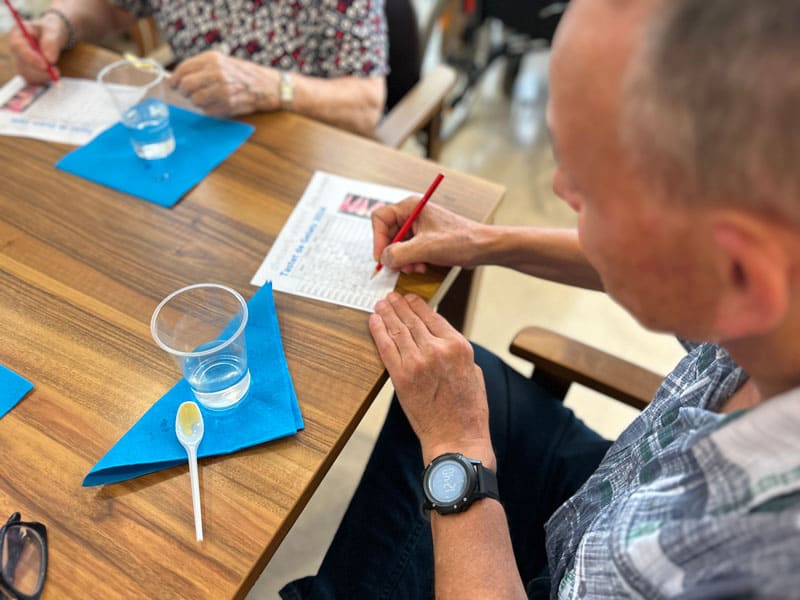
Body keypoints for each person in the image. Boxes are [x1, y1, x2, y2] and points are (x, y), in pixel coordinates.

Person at [281, 0, 800, 597]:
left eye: (589, 193)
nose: (559, 188)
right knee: (440, 378)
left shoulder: (739, 565)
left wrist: (459, 450)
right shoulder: (772, 270)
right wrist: (482, 242)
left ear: (738, 270)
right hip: (616, 487)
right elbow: (667, 261)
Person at [7, 0, 388, 136]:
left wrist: (273, 87)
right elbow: (113, 6)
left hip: (302, 142)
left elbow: (365, 104)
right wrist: (60, 23)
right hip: (198, 127)